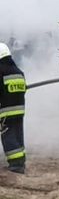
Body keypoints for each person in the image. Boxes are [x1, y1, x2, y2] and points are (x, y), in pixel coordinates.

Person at [0, 43, 26, 174]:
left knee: (8, 136)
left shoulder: (1, 71)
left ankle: (16, 165)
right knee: (18, 135)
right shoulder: (18, 71)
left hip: (5, 111)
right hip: (19, 110)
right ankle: (21, 161)